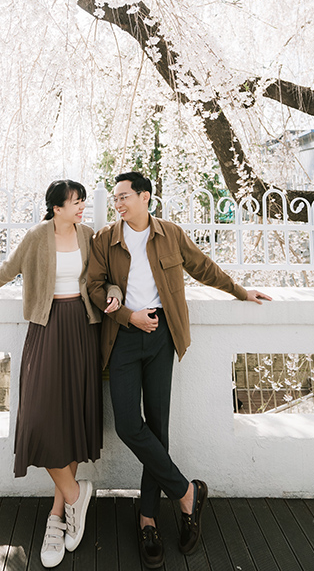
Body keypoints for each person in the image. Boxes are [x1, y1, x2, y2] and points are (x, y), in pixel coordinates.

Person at [87, 171, 272, 569]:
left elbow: (203, 267)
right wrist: (128, 316)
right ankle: (187, 494)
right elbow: (95, 286)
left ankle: (148, 519)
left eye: (124, 197)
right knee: (127, 424)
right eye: (115, 198)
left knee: (157, 426)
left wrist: (241, 291)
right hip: (122, 337)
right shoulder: (105, 239)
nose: (118, 203)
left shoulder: (170, 234)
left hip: (162, 338)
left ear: (145, 197)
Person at [0, 179, 116, 568]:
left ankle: (57, 517)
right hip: (46, 328)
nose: (81, 207)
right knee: (39, 421)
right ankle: (78, 495)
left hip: (83, 327)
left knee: (72, 418)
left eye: (81, 201)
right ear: (56, 208)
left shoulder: (90, 235)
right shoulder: (36, 236)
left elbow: (106, 277)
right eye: (75, 202)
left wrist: (115, 294)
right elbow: (8, 270)